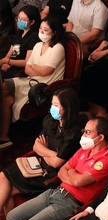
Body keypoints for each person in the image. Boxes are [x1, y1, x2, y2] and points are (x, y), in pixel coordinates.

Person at [0, 88, 82, 215]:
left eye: (56, 105)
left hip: (50, 173)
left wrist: (44, 151)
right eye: (52, 104)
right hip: (38, 162)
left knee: (8, 191)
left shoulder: (74, 133)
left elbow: (56, 163)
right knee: (2, 176)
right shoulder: (50, 121)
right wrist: (52, 153)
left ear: (68, 108)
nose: (52, 108)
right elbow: (36, 146)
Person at [0, 17, 66, 148]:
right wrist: (36, 68)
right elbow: (27, 69)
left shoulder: (58, 48)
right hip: (29, 80)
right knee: (6, 99)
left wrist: (34, 67)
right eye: (40, 28)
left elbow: (46, 71)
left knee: (5, 86)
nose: (41, 32)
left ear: (53, 32)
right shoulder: (37, 45)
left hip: (42, 87)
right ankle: (4, 137)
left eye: (45, 30)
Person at [0, 5, 41, 79]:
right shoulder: (20, 32)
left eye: (23, 19)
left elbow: (26, 62)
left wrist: (7, 61)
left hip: (20, 69)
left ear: (32, 22)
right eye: (18, 18)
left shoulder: (34, 37)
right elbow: (9, 53)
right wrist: (4, 63)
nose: (19, 21)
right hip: (10, 65)